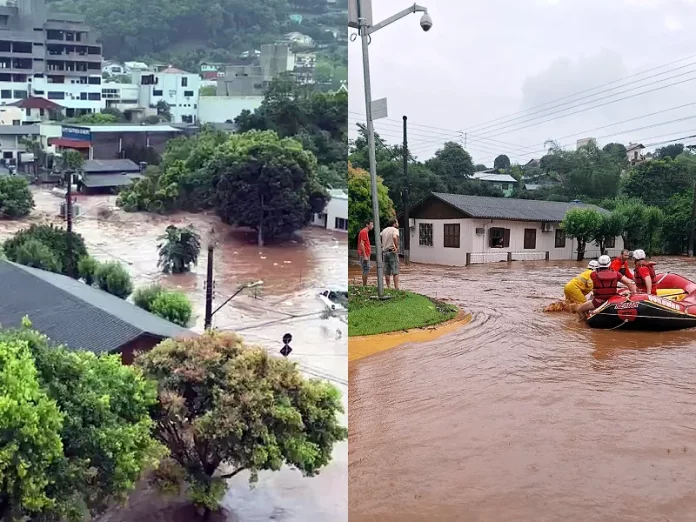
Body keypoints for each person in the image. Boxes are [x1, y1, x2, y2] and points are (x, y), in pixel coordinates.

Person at [380, 218, 400, 290]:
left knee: (387, 271)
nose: (398, 224)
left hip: (385, 252)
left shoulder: (384, 230)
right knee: (395, 271)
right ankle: (396, 288)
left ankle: (388, 287)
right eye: (397, 222)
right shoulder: (395, 230)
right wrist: (397, 247)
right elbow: (394, 237)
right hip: (392, 251)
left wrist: (383, 245)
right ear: (394, 223)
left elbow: (380, 237)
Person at [357, 220, 373, 286]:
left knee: (365, 269)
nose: (372, 226)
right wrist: (365, 255)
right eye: (371, 224)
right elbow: (362, 244)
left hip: (365, 254)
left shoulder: (365, 232)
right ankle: (364, 285)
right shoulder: (364, 232)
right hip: (364, 254)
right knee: (366, 269)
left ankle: (364, 285)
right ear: (367, 225)